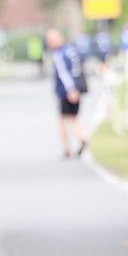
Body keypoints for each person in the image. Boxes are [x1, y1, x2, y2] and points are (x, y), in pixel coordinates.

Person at [47, 28, 88, 158]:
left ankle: (67, 148)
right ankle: (82, 137)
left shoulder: (59, 54)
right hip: (77, 86)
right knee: (74, 117)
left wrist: (71, 89)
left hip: (66, 91)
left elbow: (64, 73)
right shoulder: (72, 51)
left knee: (63, 120)